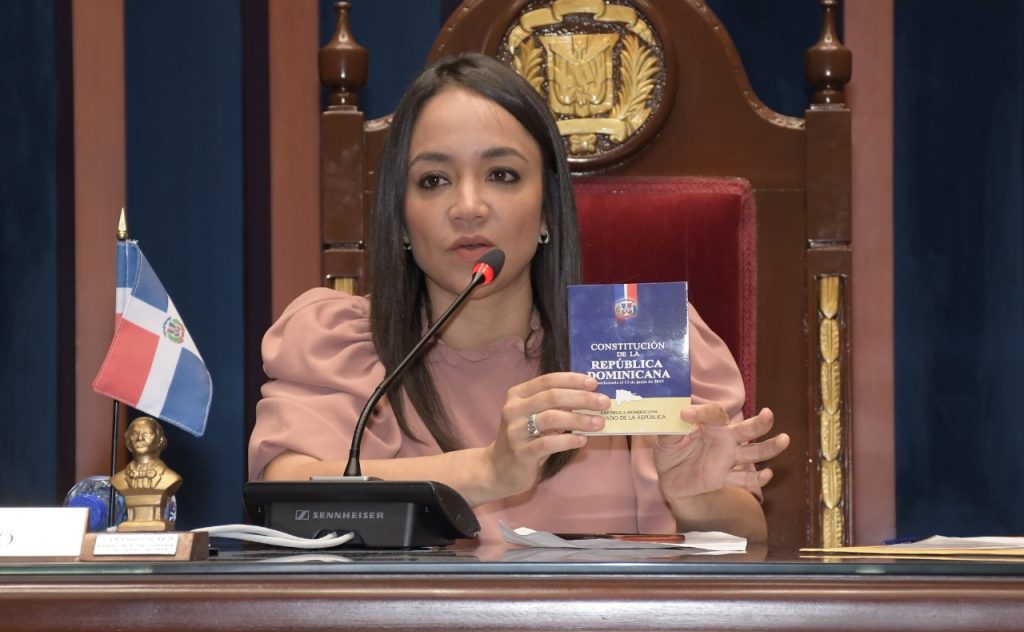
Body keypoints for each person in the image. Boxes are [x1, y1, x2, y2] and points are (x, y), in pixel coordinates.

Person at [248, 52, 789, 544]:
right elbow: (289, 499)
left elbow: (748, 541)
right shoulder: (342, 343)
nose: (468, 206)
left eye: (501, 175)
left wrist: (696, 500)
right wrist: (489, 471)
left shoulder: (638, 340)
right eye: (433, 180)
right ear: (401, 220)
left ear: (549, 208)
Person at [112, 416, 182, 531]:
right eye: (134, 434)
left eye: (147, 434)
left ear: (160, 440)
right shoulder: (118, 479)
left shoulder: (171, 478)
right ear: (127, 441)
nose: (140, 438)